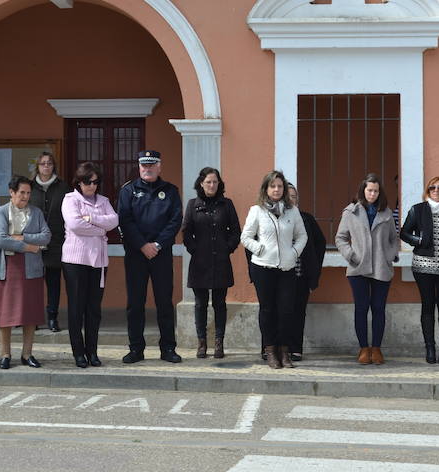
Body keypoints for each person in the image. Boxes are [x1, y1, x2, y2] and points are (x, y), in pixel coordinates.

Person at [119, 150, 183, 364]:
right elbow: (125, 221)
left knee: (164, 302)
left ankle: (168, 348)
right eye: (144, 165)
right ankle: (136, 349)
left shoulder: (171, 191)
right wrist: (142, 245)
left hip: (161, 254)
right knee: (135, 304)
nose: (148, 169)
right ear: (139, 167)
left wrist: (156, 245)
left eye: (152, 165)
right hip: (136, 255)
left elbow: (175, 221)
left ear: (159, 167)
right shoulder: (128, 191)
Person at [241, 170, 307, 369]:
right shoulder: (257, 210)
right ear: (266, 189)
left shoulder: (292, 211)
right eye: (273, 186)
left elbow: (302, 236)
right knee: (267, 310)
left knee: (286, 310)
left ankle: (284, 351)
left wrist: (293, 253)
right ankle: (270, 351)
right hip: (263, 268)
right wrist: (260, 249)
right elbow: (245, 237)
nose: (276, 189)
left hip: (287, 268)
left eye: (280, 186)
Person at [335, 173, 399, 365]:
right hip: (358, 268)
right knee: (361, 308)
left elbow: (394, 239)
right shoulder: (351, 212)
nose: (372, 194)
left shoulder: (386, 213)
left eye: (376, 191)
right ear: (363, 190)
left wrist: (389, 256)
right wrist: (351, 255)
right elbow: (340, 238)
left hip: (381, 267)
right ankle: (364, 348)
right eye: (369, 190)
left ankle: (376, 348)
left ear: (380, 192)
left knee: (378, 308)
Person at [61, 162, 119, 368]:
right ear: (79, 182)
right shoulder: (70, 199)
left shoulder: (103, 201)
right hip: (75, 261)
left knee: (94, 309)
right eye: (88, 182)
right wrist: (100, 229)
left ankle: (92, 352)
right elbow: (75, 225)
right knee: (77, 308)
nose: (92, 186)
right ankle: (79, 353)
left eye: (95, 182)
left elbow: (114, 220)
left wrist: (91, 218)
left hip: (98, 261)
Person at [0, 175, 51, 370]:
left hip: (31, 268)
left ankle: (27, 354)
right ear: (12, 192)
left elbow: (46, 236)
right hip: (8, 266)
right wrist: (29, 247)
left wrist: (22, 237)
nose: (25, 196)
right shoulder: (0, 212)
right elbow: (1, 240)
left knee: (30, 313)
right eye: (22, 192)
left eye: (28, 193)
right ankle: (5, 354)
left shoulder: (36, 212)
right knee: (6, 313)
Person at [181, 167, 241, 359]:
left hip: (221, 262)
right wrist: (195, 250)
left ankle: (219, 342)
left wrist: (227, 248)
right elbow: (186, 232)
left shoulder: (226, 204)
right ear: (201, 183)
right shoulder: (192, 205)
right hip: (199, 263)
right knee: (200, 304)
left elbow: (236, 231)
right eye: (208, 182)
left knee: (219, 304)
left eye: (215, 182)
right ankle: (201, 342)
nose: (212, 185)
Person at [400, 176, 439, 364]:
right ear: (427, 190)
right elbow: (404, 232)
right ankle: (430, 349)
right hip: (423, 266)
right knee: (427, 305)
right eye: (432, 188)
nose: (436, 191)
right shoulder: (418, 210)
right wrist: (419, 240)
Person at [30, 151, 71, 333]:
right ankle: (33, 317)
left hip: (56, 241)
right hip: (33, 242)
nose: (46, 166)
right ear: (37, 167)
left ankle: (52, 317)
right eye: (43, 163)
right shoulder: (30, 187)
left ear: (54, 166)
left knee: (54, 282)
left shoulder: (63, 187)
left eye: (49, 163)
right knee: (34, 283)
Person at [286, 183, 326, 361]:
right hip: (279, 275)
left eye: (294, 196)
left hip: (300, 276)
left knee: (298, 312)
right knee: (277, 312)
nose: (291, 200)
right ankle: (274, 347)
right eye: (287, 196)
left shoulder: (307, 219)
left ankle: (295, 348)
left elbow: (320, 244)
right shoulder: (273, 218)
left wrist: (314, 272)